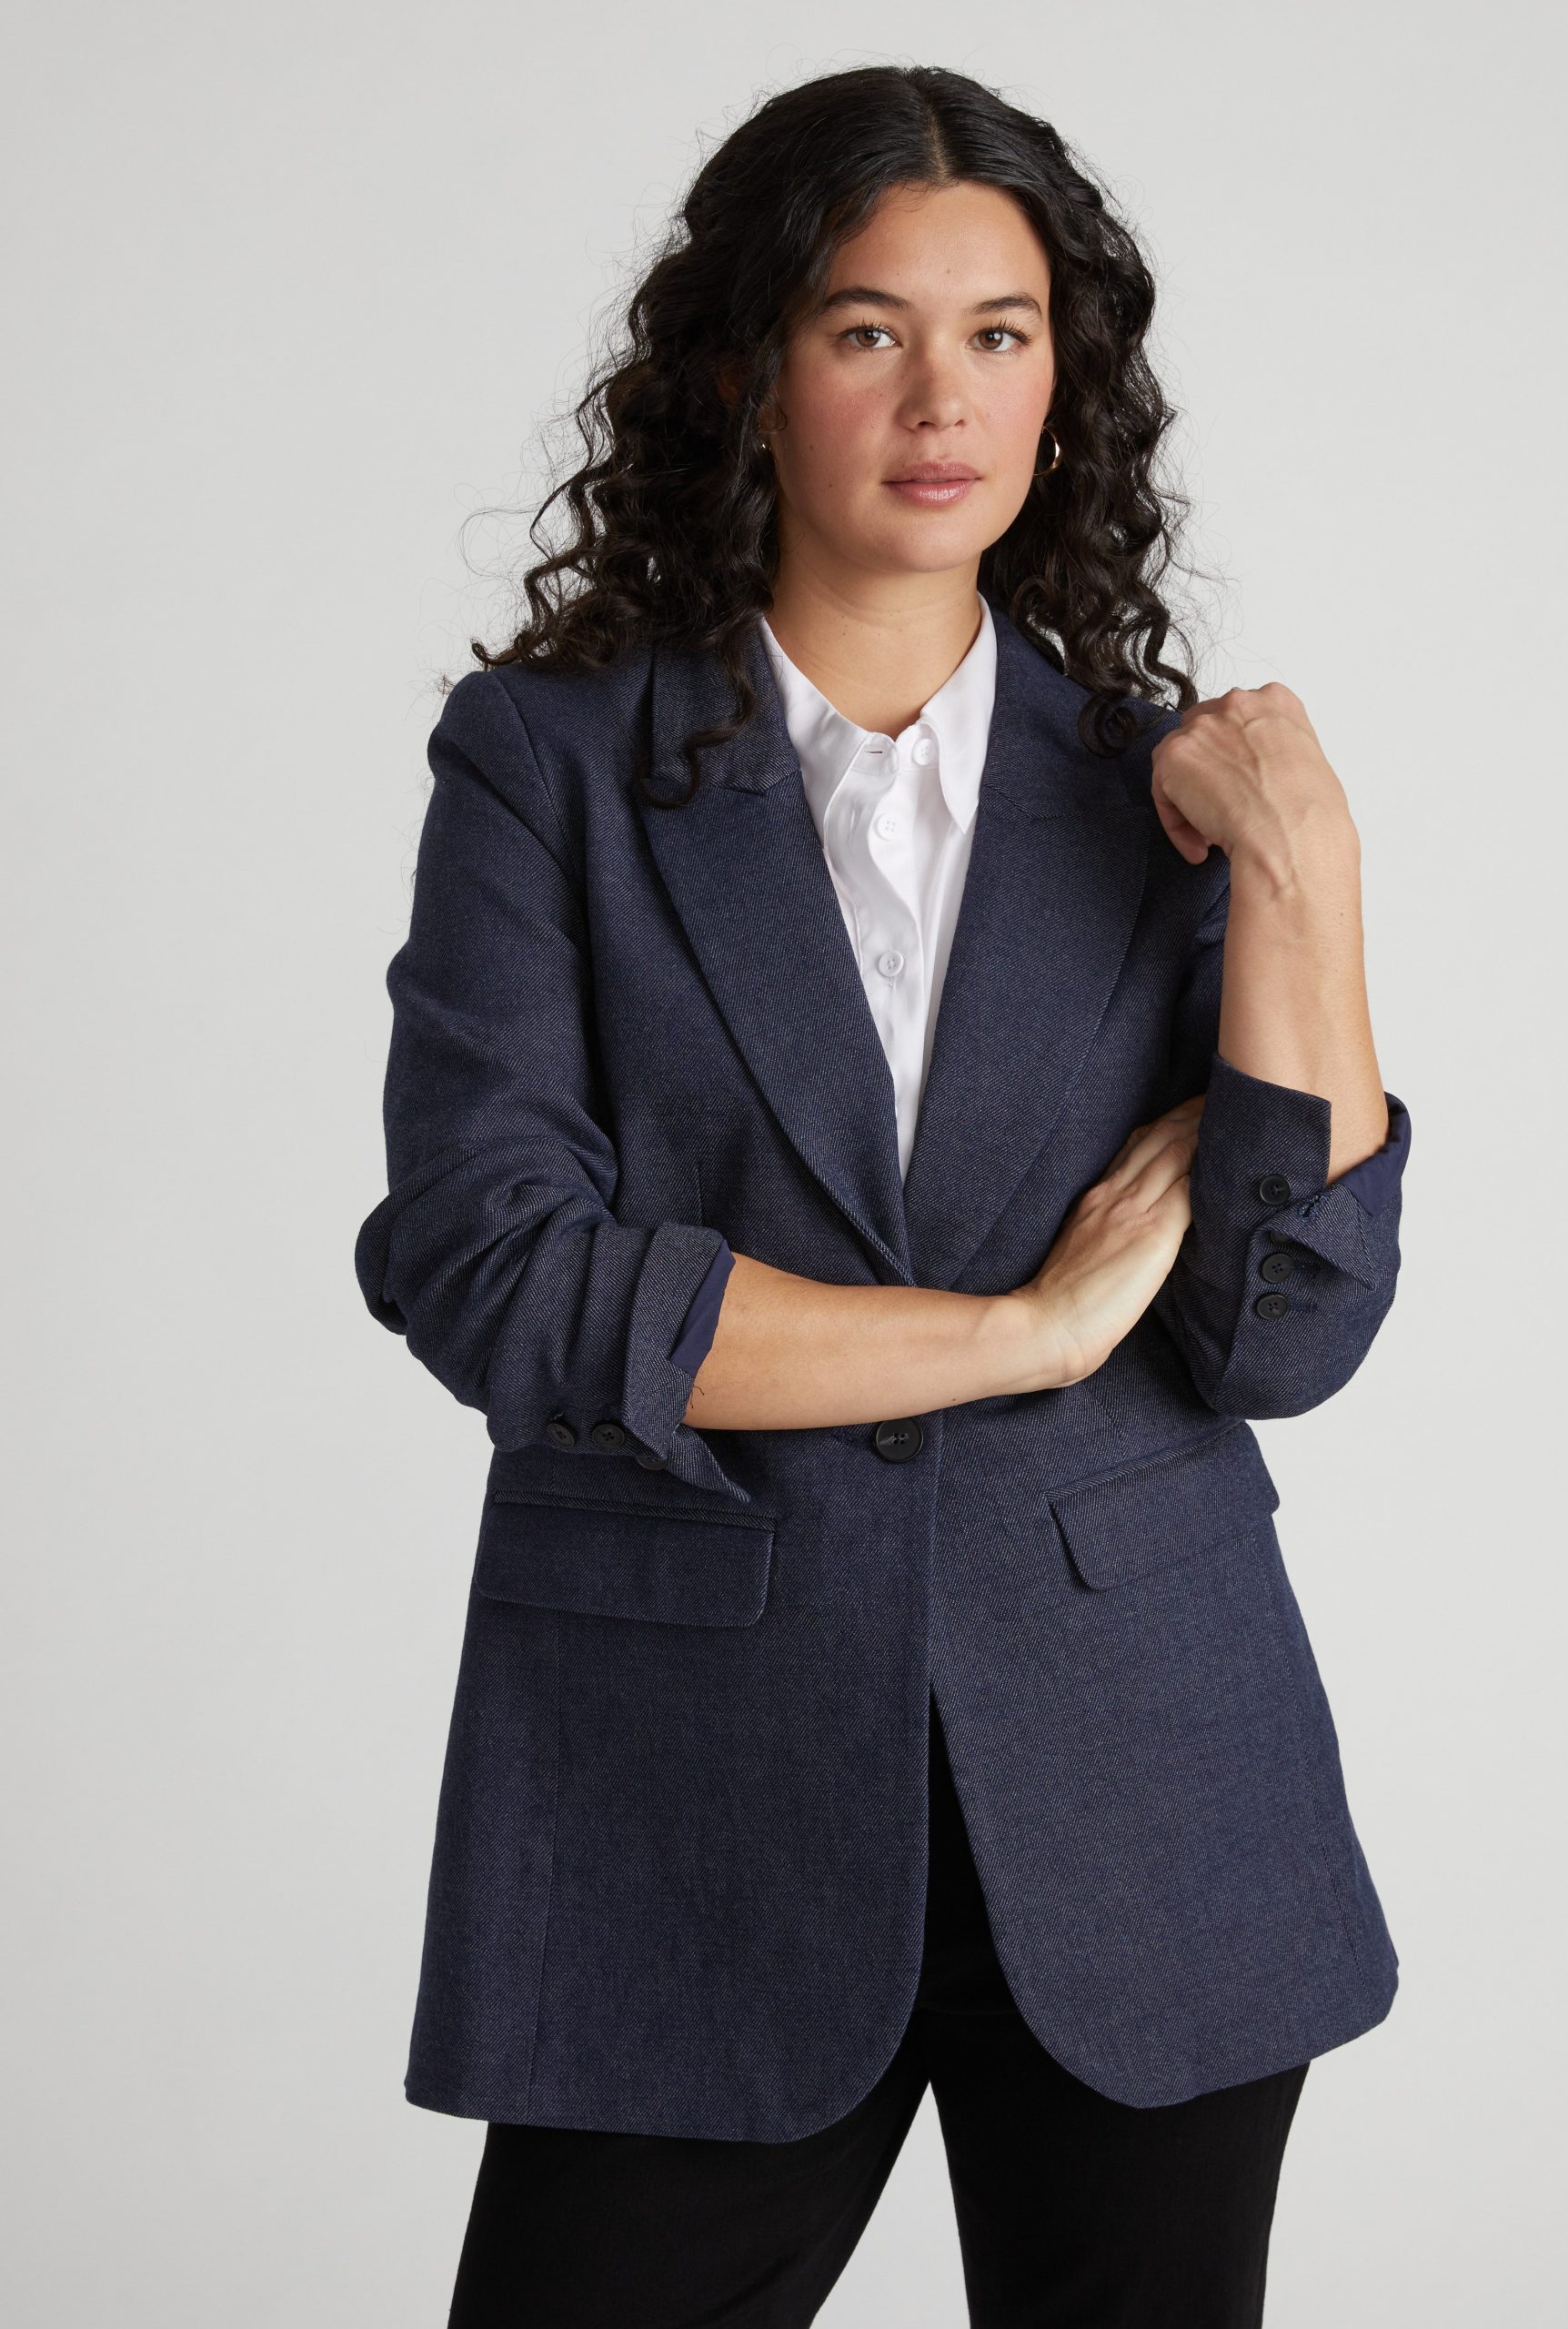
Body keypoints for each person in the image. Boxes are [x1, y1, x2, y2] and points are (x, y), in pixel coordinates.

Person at [355, 61, 1412, 2329]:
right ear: (748, 368)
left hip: (1144, 1791)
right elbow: (495, 1269)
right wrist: (1021, 1332)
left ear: (1063, 381)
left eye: (1000, 333)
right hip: (683, 1793)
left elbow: (1284, 1327)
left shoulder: (1162, 793)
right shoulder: (549, 764)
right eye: (867, 329)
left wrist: (1308, 876)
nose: (944, 398)